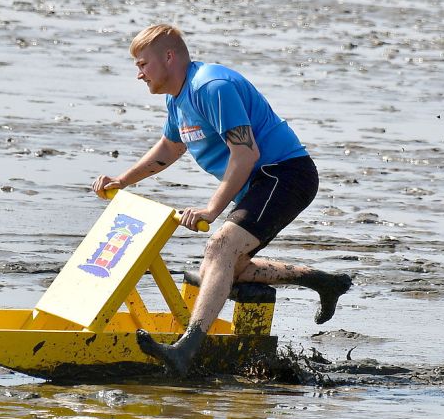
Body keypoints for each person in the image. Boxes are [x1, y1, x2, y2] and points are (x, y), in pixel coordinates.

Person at [91, 24, 352, 376]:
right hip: (259, 182)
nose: (138, 74)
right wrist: (123, 180)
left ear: (168, 57)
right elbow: (170, 148)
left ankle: (187, 349)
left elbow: (245, 154)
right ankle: (322, 281)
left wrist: (212, 210)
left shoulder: (211, 87)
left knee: (219, 250)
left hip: (284, 174)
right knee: (221, 270)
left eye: (142, 64)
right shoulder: (177, 98)